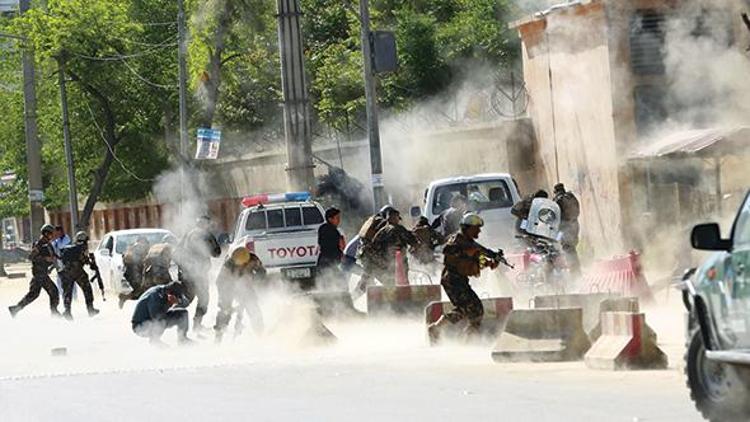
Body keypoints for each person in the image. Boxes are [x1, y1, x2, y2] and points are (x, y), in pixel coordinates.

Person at [427, 213, 500, 342]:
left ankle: (467, 338)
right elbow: (448, 251)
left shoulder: (470, 243)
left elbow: (477, 259)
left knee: (475, 311)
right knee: (469, 309)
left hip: (460, 280)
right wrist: (467, 251)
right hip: (452, 280)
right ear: (467, 228)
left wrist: (490, 262)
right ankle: (437, 328)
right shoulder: (457, 240)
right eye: (476, 228)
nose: (479, 231)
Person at [214, 246, 266, 343]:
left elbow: (262, 272)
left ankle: (260, 332)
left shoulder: (253, 259)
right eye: (239, 264)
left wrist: (254, 278)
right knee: (225, 311)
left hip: (246, 286)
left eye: (243, 264)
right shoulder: (228, 264)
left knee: (253, 308)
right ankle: (218, 335)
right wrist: (225, 300)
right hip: (229, 287)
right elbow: (220, 282)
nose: (241, 266)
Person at [179, 215, 221, 333]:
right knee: (203, 299)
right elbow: (216, 253)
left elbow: (177, 252)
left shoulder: (187, 234)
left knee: (187, 298)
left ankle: (168, 319)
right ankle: (196, 326)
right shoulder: (207, 235)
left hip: (187, 273)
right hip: (200, 274)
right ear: (206, 224)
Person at [8, 224, 60, 318]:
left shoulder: (48, 244)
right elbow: (31, 257)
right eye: (51, 234)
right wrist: (45, 259)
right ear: (46, 233)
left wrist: (56, 260)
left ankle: (15, 308)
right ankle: (54, 313)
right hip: (39, 274)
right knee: (50, 292)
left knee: (37, 294)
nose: (53, 236)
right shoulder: (39, 244)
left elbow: (53, 256)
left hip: (43, 273)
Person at [369, 208, 421, 286]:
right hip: (399, 261)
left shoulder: (381, 231)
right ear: (395, 218)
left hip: (386, 263)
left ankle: (391, 296)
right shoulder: (400, 229)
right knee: (403, 282)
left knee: (390, 284)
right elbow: (413, 242)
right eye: (397, 218)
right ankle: (405, 295)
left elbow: (373, 246)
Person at [119, 234, 176, 306]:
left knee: (144, 292)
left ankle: (125, 297)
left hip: (145, 272)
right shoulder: (167, 248)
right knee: (168, 290)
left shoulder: (155, 247)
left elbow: (145, 261)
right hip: (144, 273)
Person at [131, 281, 193, 346]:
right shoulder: (155, 297)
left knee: (183, 314)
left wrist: (178, 301)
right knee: (161, 321)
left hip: (154, 318)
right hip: (140, 326)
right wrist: (170, 303)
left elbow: (186, 302)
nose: (176, 301)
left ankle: (182, 339)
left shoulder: (169, 290)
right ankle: (155, 341)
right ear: (169, 294)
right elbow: (156, 317)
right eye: (176, 298)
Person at [59, 231, 99, 319]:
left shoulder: (71, 248)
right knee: (87, 289)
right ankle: (90, 309)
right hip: (77, 272)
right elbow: (84, 260)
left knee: (67, 293)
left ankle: (67, 311)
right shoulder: (82, 248)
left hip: (66, 272)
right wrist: (91, 262)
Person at [553, 183, 581, 276]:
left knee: (566, 248)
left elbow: (554, 215)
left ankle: (574, 273)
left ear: (555, 191)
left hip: (564, 228)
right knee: (572, 248)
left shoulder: (558, 200)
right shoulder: (571, 196)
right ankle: (576, 270)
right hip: (575, 225)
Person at [316, 207, 344, 283]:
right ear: (330, 219)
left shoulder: (322, 228)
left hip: (324, 262)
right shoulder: (334, 231)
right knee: (339, 282)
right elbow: (341, 246)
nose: (339, 220)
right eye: (337, 218)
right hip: (331, 263)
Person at [120, 236, 151, 307]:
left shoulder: (133, 248)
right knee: (141, 291)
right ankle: (124, 297)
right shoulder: (139, 248)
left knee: (140, 292)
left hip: (130, 272)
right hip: (134, 273)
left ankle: (124, 297)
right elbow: (138, 263)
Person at [50, 226, 71, 301]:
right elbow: (52, 246)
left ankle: (74, 297)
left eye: (58, 232)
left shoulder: (67, 239)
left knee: (70, 282)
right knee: (59, 281)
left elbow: (61, 247)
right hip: (59, 265)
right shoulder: (57, 241)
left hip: (67, 264)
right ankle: (63, 297)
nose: (57, 234)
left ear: (61, 232)